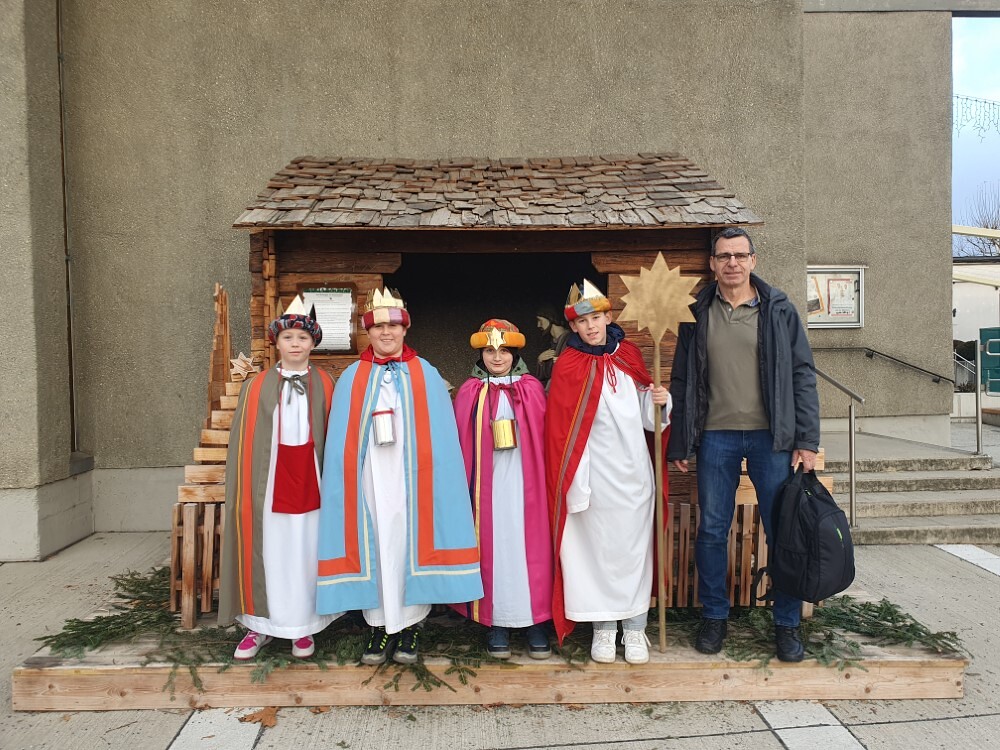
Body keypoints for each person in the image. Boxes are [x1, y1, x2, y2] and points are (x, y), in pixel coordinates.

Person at [668, 226, 820, 663]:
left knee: (781, 531)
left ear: (753, 260)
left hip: (771, 438)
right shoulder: (695, 312)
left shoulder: (779, 309)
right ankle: (714, 617)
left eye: (739, 255)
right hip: (714, 437)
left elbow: (802, 374)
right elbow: (682, 380)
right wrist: (681, 441)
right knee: (712, 530)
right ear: (712, 264)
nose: (731, 263)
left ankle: (786, 624)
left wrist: (806, 439)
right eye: (723, 256)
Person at [316, 287, 483, 666]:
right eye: (378, 328)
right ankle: (378, 626)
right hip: (370, 480)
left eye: (393, 326)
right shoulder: (352, 377)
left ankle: (410, 626)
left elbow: (441, 438)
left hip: (414, 481)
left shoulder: (426, 373)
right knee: (375, 544)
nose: (386, 333)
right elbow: (341, 440)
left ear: (405, 329)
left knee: (409, 544)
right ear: (368, 332)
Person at [545, 280, 670, 665]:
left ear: (607, 317)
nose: (591, 326)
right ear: (574, 326)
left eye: (596, 318)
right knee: (595, 552)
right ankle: (603, 629)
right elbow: (561, 432)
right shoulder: (568, 365)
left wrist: (658, 401)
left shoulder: (628, 355)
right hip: (592, 479)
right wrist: (575, 484)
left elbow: (650, 423)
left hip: (633, 476)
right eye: (582, 322)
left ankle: (634, 628)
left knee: (632, 553)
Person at [218, 296, 341, 660]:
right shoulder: (256, 386)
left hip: (312, 480)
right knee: (269, 548)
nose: (295, 344)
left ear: (313, 343)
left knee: (305, 548)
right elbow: (245, 444)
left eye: (303, 338)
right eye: (288, 337)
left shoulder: (326, 383)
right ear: (277, 342)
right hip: (268, 483)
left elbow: (335, 437)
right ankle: (259, 625)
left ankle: (303, 627)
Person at [452, 319, 553, 660]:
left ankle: (535, 621)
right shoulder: (470, 391)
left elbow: (545, 437)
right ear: (481, 354)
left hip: (527, 486)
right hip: (488, 489)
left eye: (504, 351)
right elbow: (461, 442)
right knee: (494, 550)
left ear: (515, 353)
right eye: (490, 350)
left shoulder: (531, 388)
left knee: (531, 549)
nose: (497, 357)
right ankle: (497, 622)